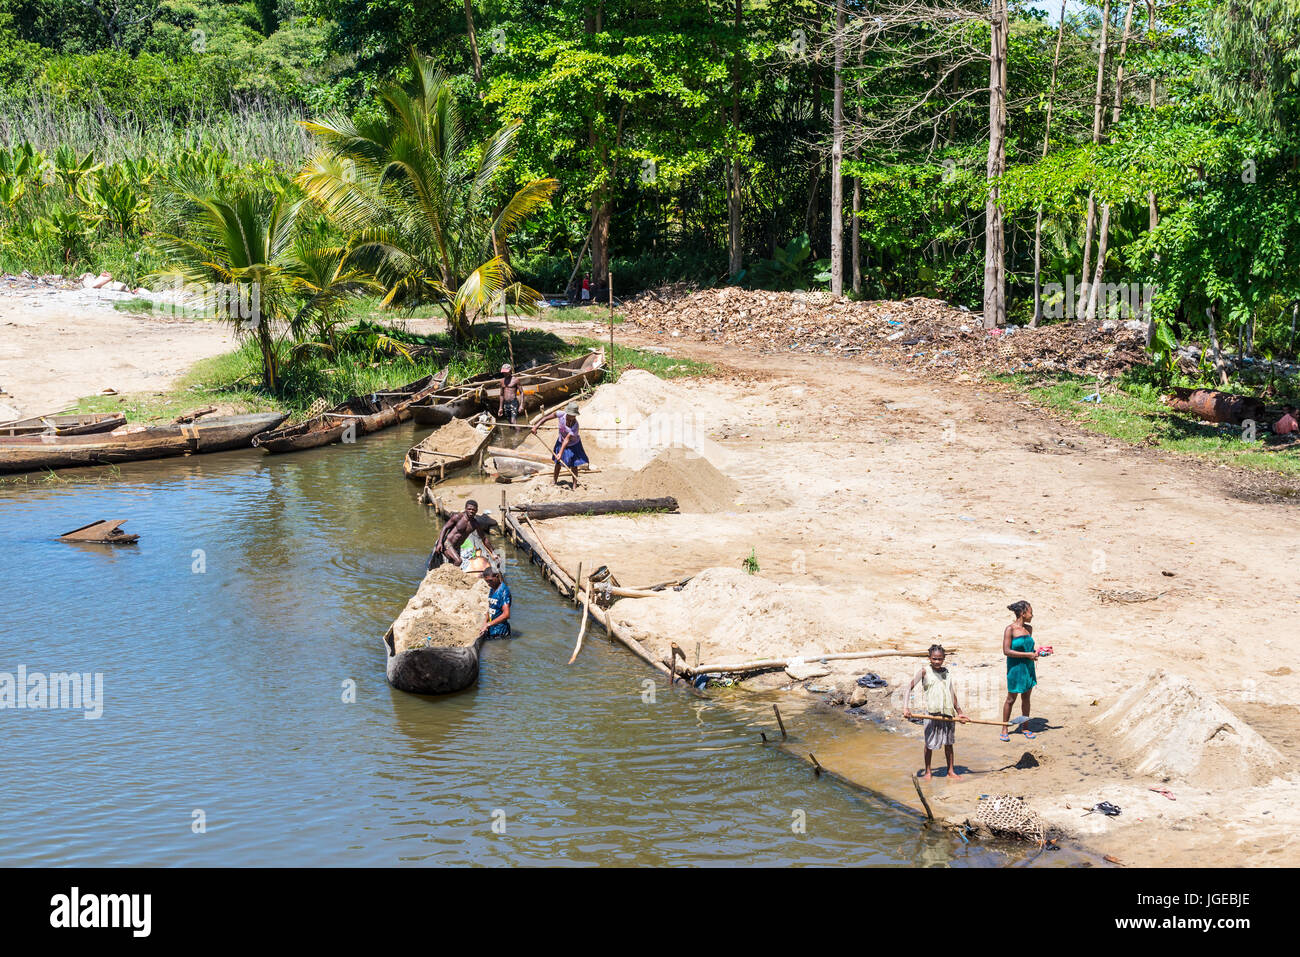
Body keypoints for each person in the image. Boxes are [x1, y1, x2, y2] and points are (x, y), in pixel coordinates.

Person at [903, 644, 969, 780]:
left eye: (940, 659)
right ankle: (928, 771)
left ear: (944, 658)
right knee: (929, 744)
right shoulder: (924, 672)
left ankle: (950, 770)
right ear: (929, 658)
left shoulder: (947, 672)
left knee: (949, 743)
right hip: (932, 714)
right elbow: (908, 688)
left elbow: (951, 692)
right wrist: (906, 707)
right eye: (934, 659)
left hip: (948, 713)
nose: (937, 662)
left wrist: (959, 712)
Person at [1001, 600, 1040, 741]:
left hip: (1028, 668)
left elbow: (1029, 649)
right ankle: (1004, 727)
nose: (1032, 615)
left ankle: (1025, 726)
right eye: (1031, 612)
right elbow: (1006, 651)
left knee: (1026, 698)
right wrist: (1027, 655)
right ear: (1023, 613)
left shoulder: (1029, 629)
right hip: (1015, 669)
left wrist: (1037, 653)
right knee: (1011, 699)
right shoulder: (1010, 629)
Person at [428, 499, 498, 570]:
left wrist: (493, 552)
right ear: (465, 509)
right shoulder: (458, 517)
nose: (471, 511)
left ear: (476, 510)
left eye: (473, 510)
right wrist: (440, 543)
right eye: (469, 509)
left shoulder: (475, 524)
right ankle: (450, 577)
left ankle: (451, 576)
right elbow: (445, 528)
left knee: (453, 563)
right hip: (447, 543)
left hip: (457, 547)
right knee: (458, 561)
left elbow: (484, 539)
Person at [530, 401, 588, 486]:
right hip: (561, 442)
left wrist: (560, 453)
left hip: (573, 445)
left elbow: (567, 440)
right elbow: (545, 418)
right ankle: (554, 481)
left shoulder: (575, 426)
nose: (571, 417)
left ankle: (574, 485)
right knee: (558, 463)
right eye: (570, 415)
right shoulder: (560, 414)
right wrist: (536, 426)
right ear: (567, 412)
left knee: (574, 465)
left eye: (573, 416)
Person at [478, 568, 512, 639]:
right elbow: (490, 608)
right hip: (491, 629)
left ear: (497, 576)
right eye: (486, 581)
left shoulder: (504, 591)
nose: (489, 584)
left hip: (500, 632)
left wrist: (488, 624)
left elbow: (506, 614)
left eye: (490, 581)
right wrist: (485, 622)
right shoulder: (492, 589)